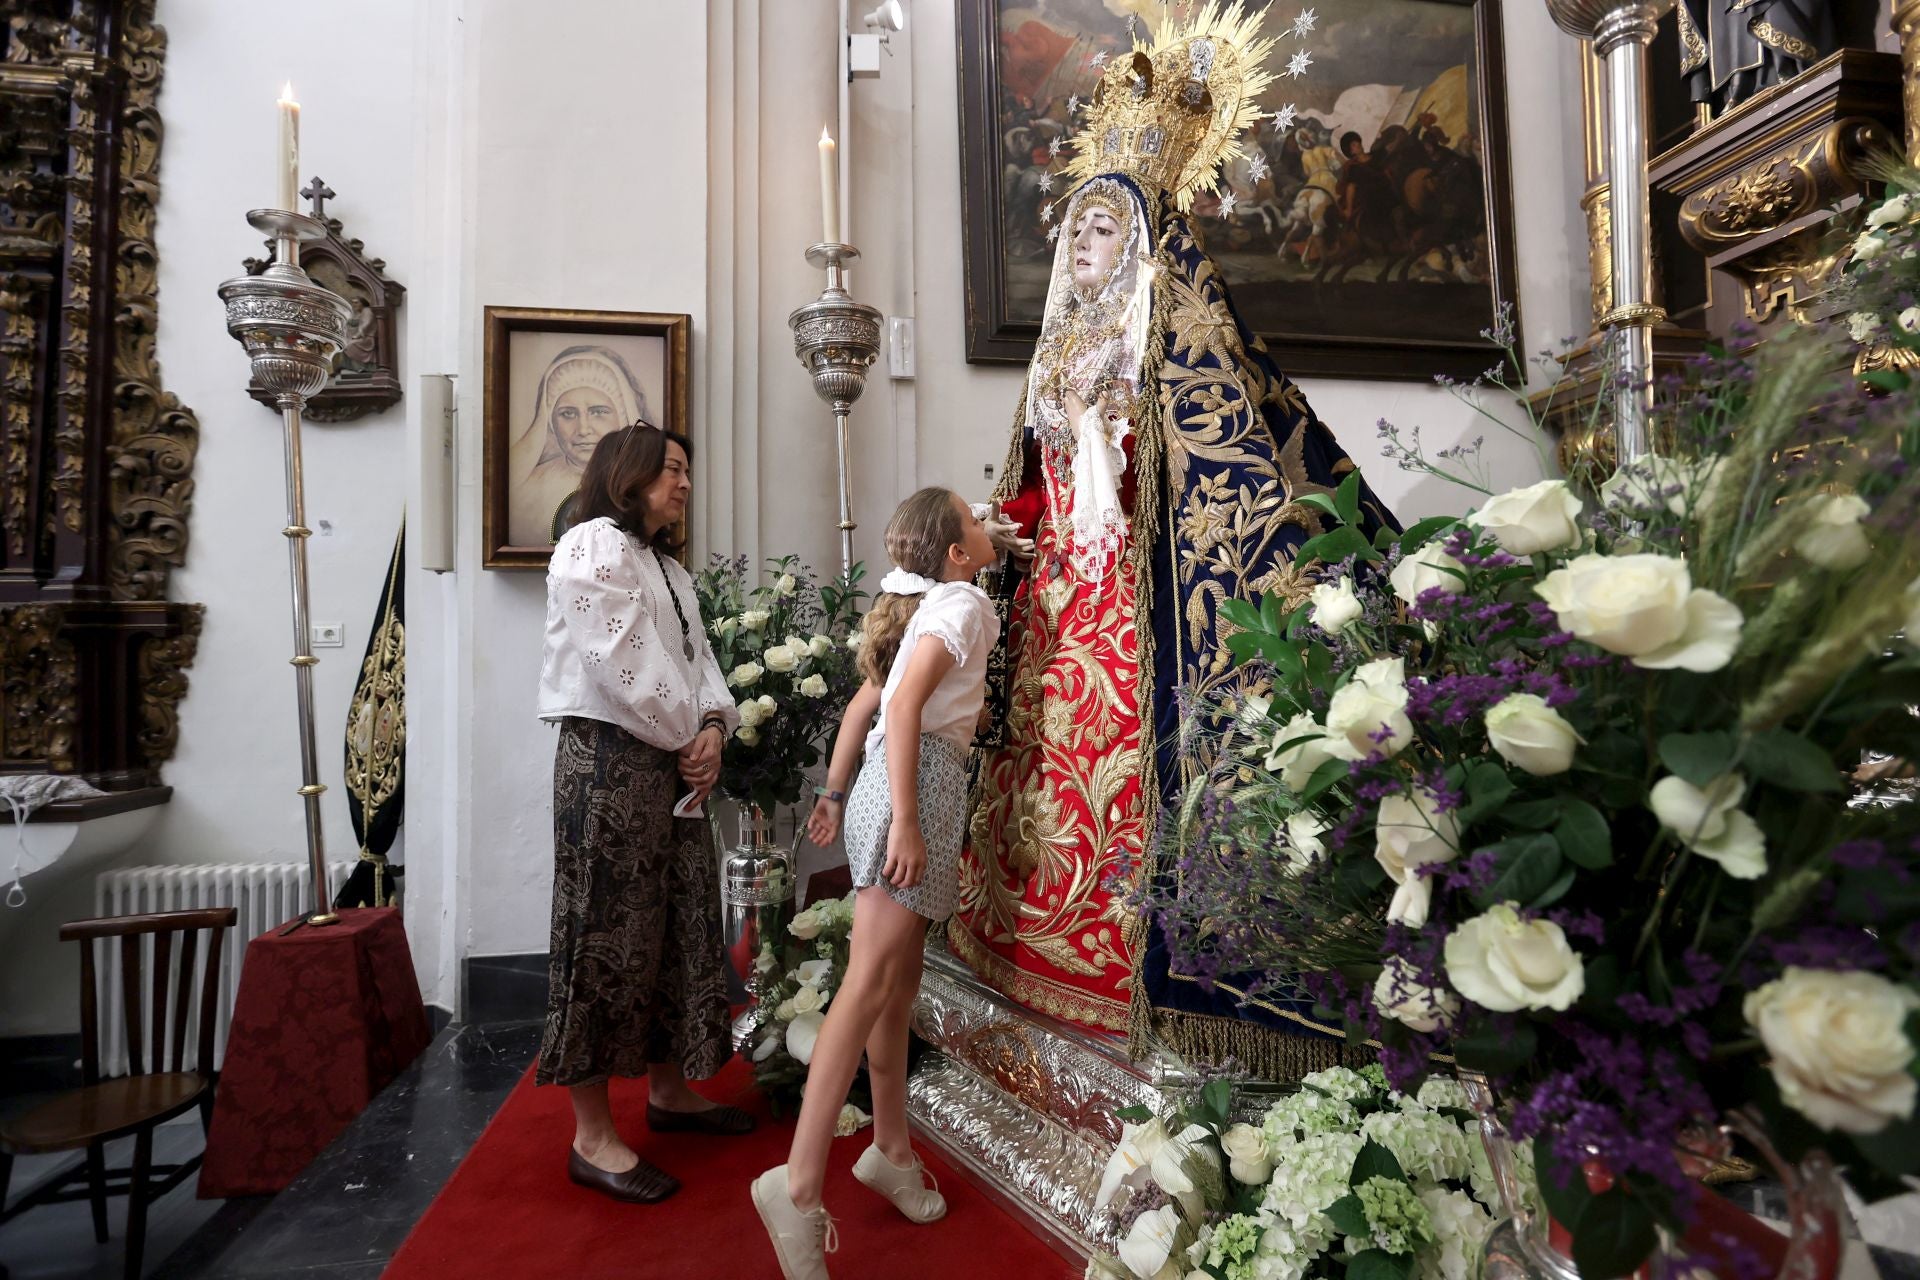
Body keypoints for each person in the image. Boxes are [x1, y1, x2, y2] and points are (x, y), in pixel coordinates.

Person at [950, 5, 1398, 1081]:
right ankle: (1027, 957)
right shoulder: (1057, 356)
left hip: (1136, 597)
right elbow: (1030, 490)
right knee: (1045, 772)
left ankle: (1128, 982)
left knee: (1139, 767)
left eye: (1105, 230)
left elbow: (1229, 468)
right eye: (1077, 231)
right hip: (1061, 598)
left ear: (1148, 243)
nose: (1083, 244)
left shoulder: (1181, 353)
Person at [752, 488, 1001, 1279]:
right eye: (975, 518)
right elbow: (900, 708)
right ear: (956, 555)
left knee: (895, 986)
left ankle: (889, 1148)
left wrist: (840, 796)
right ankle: (794, 1188)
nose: (988, 522)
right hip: (916, 786)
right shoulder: (961, 603)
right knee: (868, 986)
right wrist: (907, 820)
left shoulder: (935, 596)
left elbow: (871, 702)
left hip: (898, 786)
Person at [535, 421, 753, 1205]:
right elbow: (624, 663)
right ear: (626, 475)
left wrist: (714, 729)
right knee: (605, 936)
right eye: (670, 469)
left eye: (687, 469)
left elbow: (701, 666)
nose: (684, 482)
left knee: (674, 927)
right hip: (610, 764)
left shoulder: (666, 566)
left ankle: (670, 1094)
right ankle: (592, 1138)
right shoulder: (593, 544)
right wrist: (688, 734)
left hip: (671, 761)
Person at [508, 344, 649, 547]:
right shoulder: (529, 489)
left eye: (598, 412)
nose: (583, 429)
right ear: (551, 423)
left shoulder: (647, 487)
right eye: (568, 414)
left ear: (623, 416)